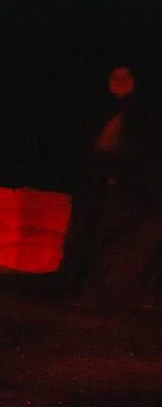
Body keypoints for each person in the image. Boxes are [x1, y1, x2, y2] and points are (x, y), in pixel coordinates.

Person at [74, 66, 162, 307]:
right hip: (111, 186)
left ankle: (116, 295)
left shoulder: (143, 113)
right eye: (114, 77)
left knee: (124, 246)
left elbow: (140, 148)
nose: (119, 82)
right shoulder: (108, 111)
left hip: (135, 188)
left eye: (126, 77)